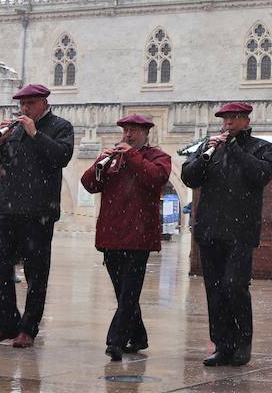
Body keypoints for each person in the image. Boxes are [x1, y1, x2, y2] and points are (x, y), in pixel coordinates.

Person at [181, 102, 272, 367]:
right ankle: (222, 345)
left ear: (246, 120)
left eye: (234, 119)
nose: (228, 124)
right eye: (225, 120)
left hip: (240, 231)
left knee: (235, 285)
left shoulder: (262, 148)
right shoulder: (209, 146)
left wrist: (234, 150)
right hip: (210, 229)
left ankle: (243, 342)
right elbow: (189, 178)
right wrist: (204, 155)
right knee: (214, 289)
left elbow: (260, 174)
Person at [0, 84, 74, 348]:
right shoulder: (15, 128)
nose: (25, 108)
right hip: (7, 209)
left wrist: (35, 134)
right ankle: (6, 323)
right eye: (22, 104)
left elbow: (62, 156)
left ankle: (28, 329)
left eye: (30, 103)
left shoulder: (61, 127)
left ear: (43, 103)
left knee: (36, 272)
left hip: (39, 212)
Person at [80, 114, 171, 362]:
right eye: (125, 130)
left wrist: (131, 155)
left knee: (129, 292)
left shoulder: (158, 157)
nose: (128, 135)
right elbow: (89, 184)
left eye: (133, 131)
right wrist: (100, 162)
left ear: (146, 133)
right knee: (124, 293)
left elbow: (155, 178)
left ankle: (115, 341)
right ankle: (139, 337)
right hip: (111, 235)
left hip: (139, 236)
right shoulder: (113, 158)